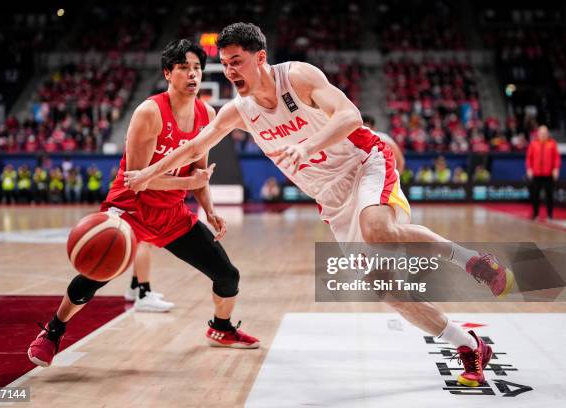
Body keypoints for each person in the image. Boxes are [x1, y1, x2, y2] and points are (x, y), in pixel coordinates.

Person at [124, 23, 514, 388]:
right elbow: (194, 147)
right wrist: (147, 173)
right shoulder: (238, 111)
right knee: (384, 288)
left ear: (260, 58)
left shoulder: (297, 77)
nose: (229, 72)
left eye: (236, 62)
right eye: (224, 64)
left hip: (364, 164)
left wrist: (308, 145)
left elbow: (349, 115)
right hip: (332, 199)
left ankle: (475, 262)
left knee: (377, 230)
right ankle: (468, 345)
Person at [27, 39, 259, 368]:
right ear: (168, 72)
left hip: (171, 214)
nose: (193, 75)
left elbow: (199, 173)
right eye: (184, 68)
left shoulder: (206, 113)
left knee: (228, 276)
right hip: (130, 210)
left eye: (197, 68)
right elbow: (137, 180)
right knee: (95, 272)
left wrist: (209, 210)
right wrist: (188, 183)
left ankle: (220, 329)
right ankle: (52, 331)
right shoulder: (150, 112)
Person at [526, 125, 561, 220]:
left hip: (548, 174)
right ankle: (535, 214)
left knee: (549, 195)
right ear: (538, 134)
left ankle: (550, 215)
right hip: (536, 174)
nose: (543, 135)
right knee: (535, 195)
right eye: (541, 133)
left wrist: (556, 169)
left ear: (548, 133)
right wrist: (529, 169)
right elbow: (529, 158)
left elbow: (557, 158)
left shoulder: (552, 143)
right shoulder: (533, 144)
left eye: (545, 133)